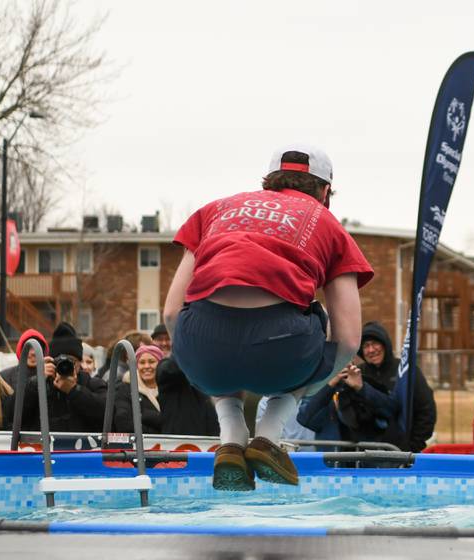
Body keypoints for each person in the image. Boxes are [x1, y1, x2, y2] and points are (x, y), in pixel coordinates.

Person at [164, 143, 373, 491]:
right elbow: (350, 339)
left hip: (201, 343)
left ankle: (230, 434)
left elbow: (172, 311)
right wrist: (308, 387)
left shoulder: (214, 210)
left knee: (213, 348)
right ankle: (269, 435)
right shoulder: (328, 223)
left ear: (268, 182)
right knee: (320, 321)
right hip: (282, 349)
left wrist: (194, 365)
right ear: (325, 191)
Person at [342, 322, 436, 452]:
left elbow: (426, 409)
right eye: (366, 346)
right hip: (366, 454)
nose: (371, 350)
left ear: (385, 344)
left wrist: (414, 445)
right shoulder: (357, 374)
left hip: (403, 451)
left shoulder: (405, 371)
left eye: (375, 343)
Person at [20, 322, 108, 432]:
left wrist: (75, 391)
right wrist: (37, 381)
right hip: (46, 448)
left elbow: (107, 415)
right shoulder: (40, 384)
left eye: (71, 361)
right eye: (60, 361)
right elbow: (13, 414)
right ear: (51, 361)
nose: (66, 366)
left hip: (82, 448)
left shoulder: (92, 384)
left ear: (80, 363)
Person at [157, 356, 219, 436]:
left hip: (211, 441)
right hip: (180, 443)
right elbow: (167, 370)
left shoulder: (208, 375)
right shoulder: (167, 368)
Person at [114, 344, 166, 433]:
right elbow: (124, 424)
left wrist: (144, 415)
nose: (146, 366)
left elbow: (176, 422)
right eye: (142, 362)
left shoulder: (169, 388)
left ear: (160, 364)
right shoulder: (126, 389)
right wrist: (157, 433)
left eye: (151, 361)